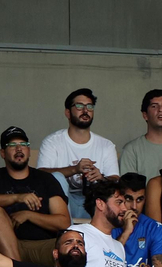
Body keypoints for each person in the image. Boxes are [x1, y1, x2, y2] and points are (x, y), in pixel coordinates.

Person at [0, 126, 72, 265]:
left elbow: (64, 222)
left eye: (24, 145)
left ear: (29, 151)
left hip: (43, 245)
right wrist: (18, 197)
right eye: (12, 145)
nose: (19, 149)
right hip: (3, 247)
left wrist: (28, 215)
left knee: (73, 244)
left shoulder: (46, 179)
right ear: (3, 153)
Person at [38, 88, 119, 218]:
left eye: (89, 106)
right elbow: (40, 175)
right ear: (68, 113)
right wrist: (75, 169)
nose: (85, 110)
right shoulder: (52, 142)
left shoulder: (106, 145)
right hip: (63, 201)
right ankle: (67, 231)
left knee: (108, 189)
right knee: (57, 178)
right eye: (79, 106)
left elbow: (115, 179)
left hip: (94, 201)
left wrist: (101, 178)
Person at [120, 89, 162, 178]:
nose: (161, 110)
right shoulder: (131, 150)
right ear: (145, 115)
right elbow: (128, 189)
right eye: (154, 106)